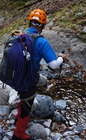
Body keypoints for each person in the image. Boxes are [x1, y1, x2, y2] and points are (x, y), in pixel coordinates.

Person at [12, 9, 64, 140]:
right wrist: (61, 58)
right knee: (27, 104)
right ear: (42, 25)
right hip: (29, 78)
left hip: (15, 75)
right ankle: (18, 134)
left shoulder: (20, 34)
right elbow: (53, 65)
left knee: (22, 97)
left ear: (30, 22)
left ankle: (18, 118)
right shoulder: (41, 42)